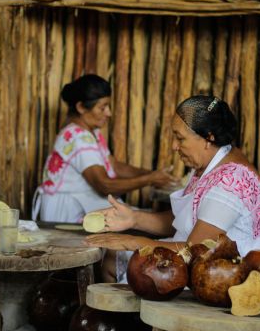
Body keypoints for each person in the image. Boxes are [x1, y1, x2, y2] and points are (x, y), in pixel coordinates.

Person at [85, 95, 260, 283]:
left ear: (208, 138)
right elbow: (187, 220)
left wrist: (135, 242)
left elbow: (194, 251)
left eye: (180, 138)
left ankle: (134, 314)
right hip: (195, 253)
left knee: (134, 269)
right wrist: (134, 219)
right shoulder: (211, 163)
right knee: (110, 259)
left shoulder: (229, 182)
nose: (174, 146)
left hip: (218, 272)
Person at [32, 74, 178, 223]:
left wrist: (154, 175)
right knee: (146, 223)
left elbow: (114, 166)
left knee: (143, 220)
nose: (108, 113)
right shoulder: (78, 137)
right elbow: (104, 184)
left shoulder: (92, 132)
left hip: (79, 203)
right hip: (66, 212)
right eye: (102, 107)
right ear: (81, 107)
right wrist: (149, 179)